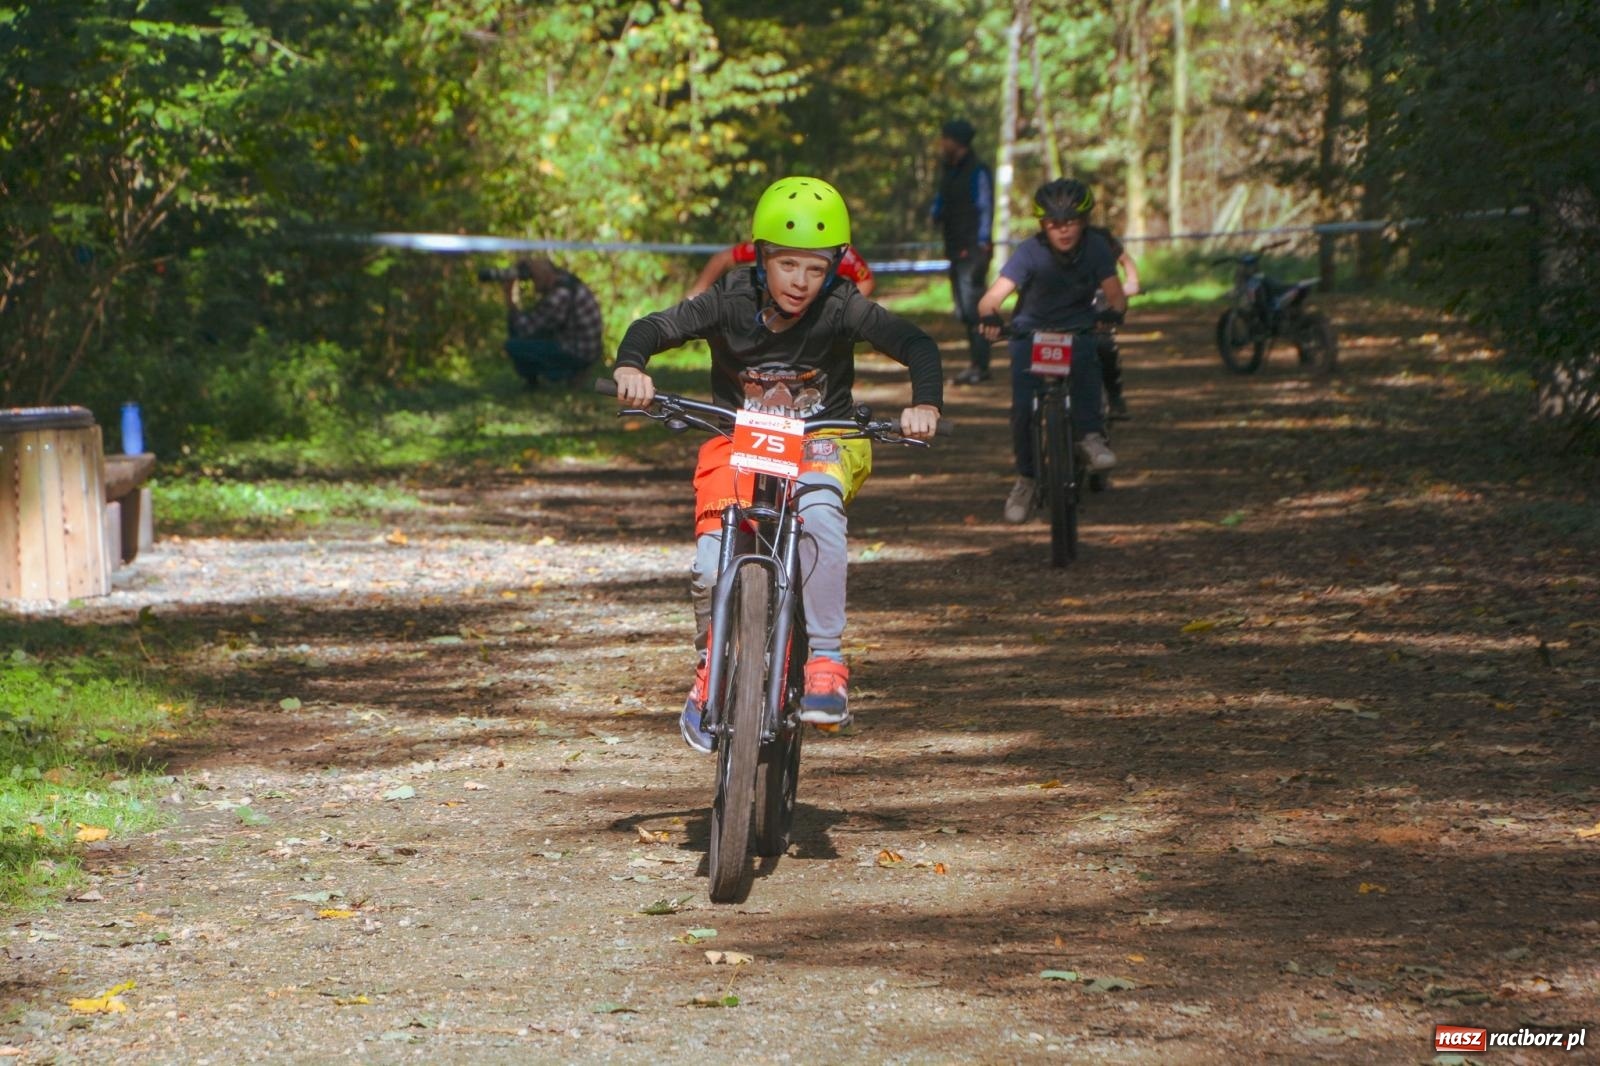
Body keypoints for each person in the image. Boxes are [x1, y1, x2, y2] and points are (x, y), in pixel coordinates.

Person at [612, 176, 942, 753]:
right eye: (788, 265)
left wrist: (925, 403)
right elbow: (653, 327)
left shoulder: (841, 306)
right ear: (761, 258)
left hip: (823, 438)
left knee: (818, 515)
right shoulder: (728, 300)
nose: (801, 282)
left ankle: (827, 661)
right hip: (739, 440)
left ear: (835, 267)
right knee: (713, 561)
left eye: (816, 269)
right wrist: (632, 367)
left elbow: (915, 343)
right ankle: (710, 670)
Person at [976, 178, 1125, 524]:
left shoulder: (1097, 249)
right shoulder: (1030, 252)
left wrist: (1112, 312)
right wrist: (989, 316)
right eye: (1055, 224)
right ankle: (1026, 479)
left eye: (1071, 222)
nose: (1063, 231)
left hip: (1078, 329)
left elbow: (1115, 293)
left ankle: (1091, 436)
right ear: (1043, 225)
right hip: (1030, 332)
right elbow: (992, 297)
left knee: (1089, 359)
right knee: (1023, 409)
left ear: (1084, 222)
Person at [931, 118, 995, 385]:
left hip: (972, 250)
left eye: (946, 138)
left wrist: (981, 242)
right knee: (964, 310)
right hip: (956, 250)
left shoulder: (977, 171)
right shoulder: (948, 171)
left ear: (956, 142)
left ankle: (980, 365)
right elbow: (941, 201)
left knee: (973, 309)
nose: (942, 143)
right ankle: (976, 363)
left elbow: (985, 207)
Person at [501, 257, 604, 389]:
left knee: (513, 345)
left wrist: (510, 296)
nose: (533, 282)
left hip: (577, 352)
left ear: (544, 275)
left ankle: (568, 374)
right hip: (585, 349)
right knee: (533, 339)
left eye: (534, 278)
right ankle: (572, 374)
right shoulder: (566, 281)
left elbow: (524, 329)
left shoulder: (559, 295)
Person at [688, 240, 876, 298]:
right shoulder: (776, 243)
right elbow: (724, 258)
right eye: (788, 264)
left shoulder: (839, 251)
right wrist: (699, 290)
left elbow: (865, 279)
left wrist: (846, 308)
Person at [1088, 224, 1141, 419]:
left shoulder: (1101, 237)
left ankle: (1114, 395)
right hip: (1068, 301)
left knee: (1104, 345)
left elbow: (1125, 260)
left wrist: (1133, 282)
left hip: (1102, 297)